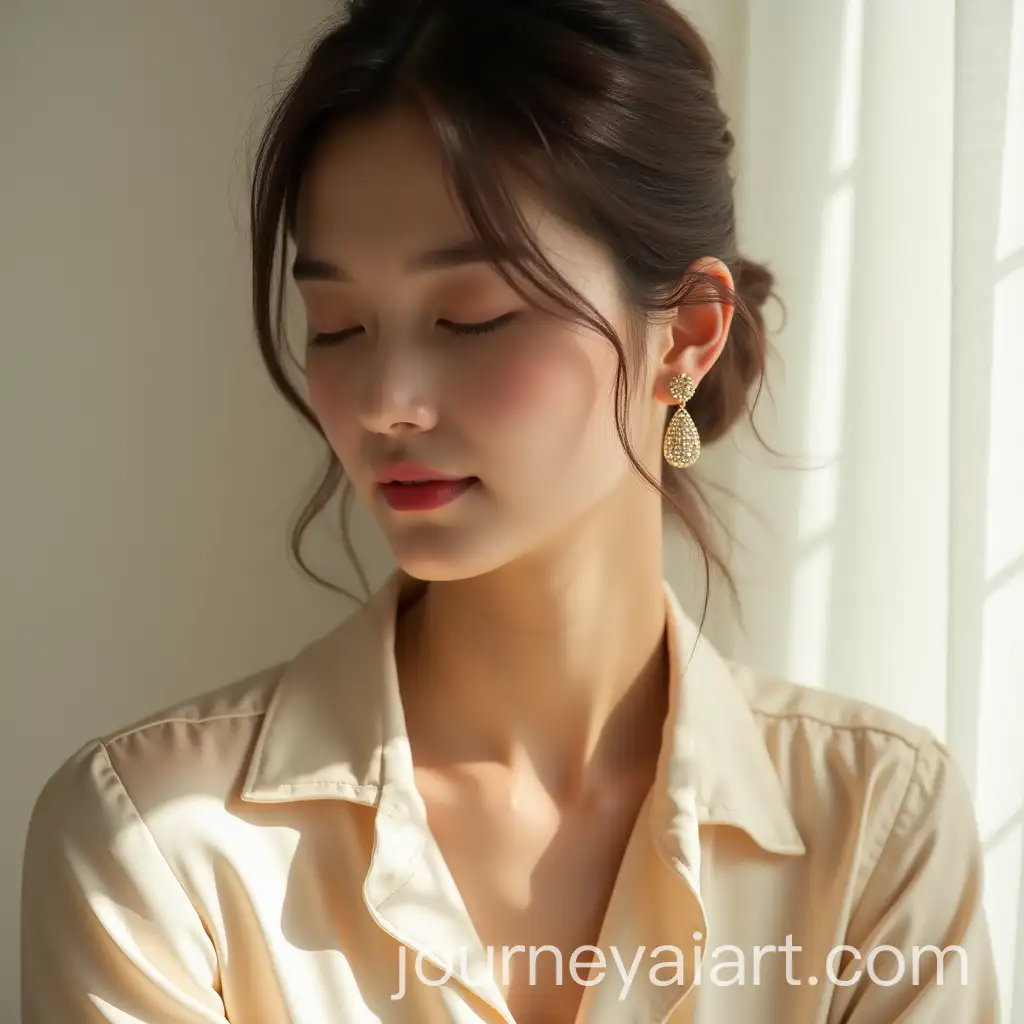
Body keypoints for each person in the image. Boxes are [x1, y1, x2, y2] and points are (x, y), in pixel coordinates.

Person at [21, 0, 999, 1021]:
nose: (387, 398)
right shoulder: (160, 841)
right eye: (339, 324)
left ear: (686, 335)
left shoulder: (875, 826)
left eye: (469, 316)